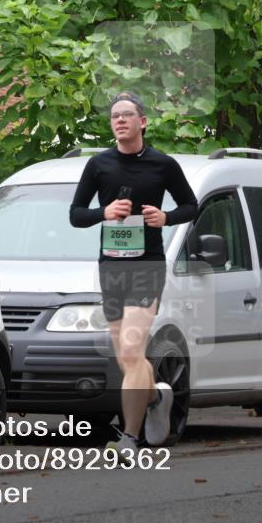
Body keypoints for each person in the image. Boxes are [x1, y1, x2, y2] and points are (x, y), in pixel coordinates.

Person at [69, 91, 198, 459]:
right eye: (114, 116)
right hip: (111, 268)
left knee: (131, 349)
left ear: (142, 122)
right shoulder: (98, 165)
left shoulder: (162, 164)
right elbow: (76, 214)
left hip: (147, 266)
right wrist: (104, 212)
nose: (120, 120)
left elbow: (191, 205)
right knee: (127, 359)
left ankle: (128, 438)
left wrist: (166, 217)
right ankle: (155, 397)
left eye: (126, 115)